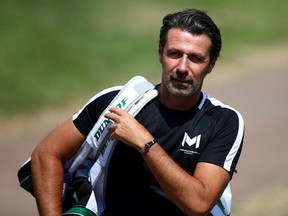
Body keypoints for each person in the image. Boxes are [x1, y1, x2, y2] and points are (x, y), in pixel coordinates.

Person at [30, 8, 244, 216]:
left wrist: (145, 143)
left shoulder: (223, 121)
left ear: (211, 64)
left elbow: (199, 204)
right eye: (174, 54)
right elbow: (46, 154)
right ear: (160, 53)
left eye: (195, 58)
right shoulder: (120, 102)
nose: (182, 67)